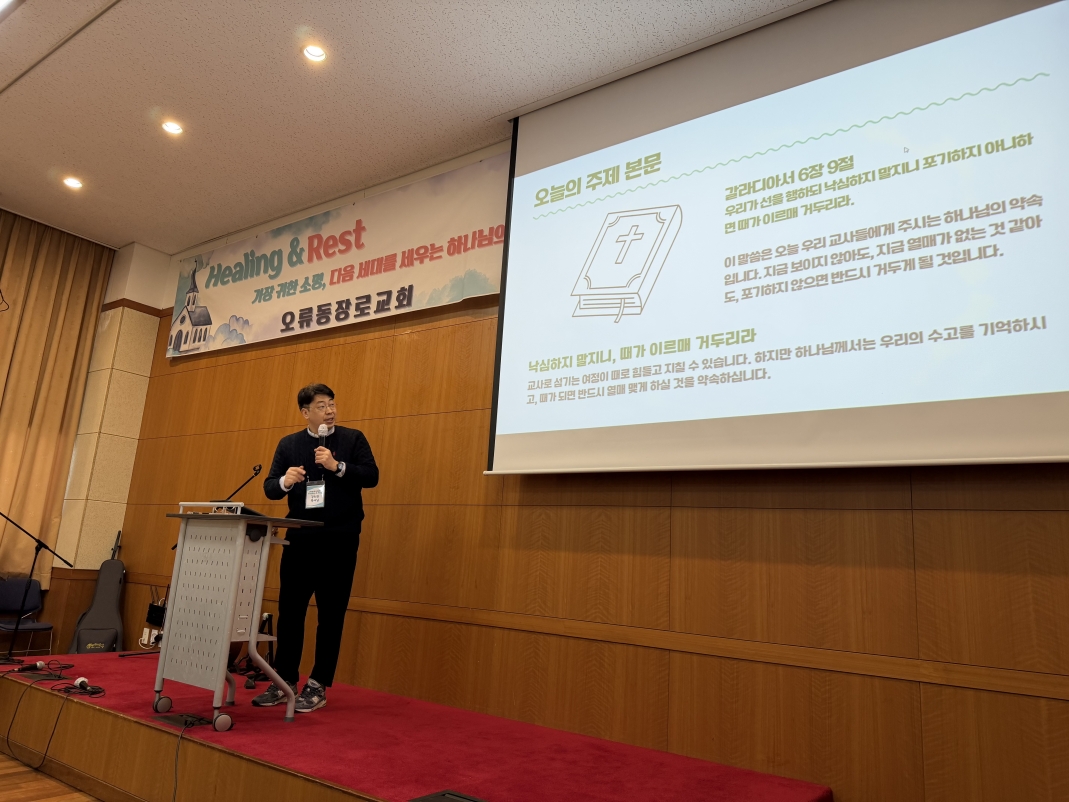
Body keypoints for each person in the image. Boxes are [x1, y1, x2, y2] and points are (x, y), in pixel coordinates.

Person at [253, 383, 378, 712]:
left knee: (331, 614)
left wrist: (337, 466)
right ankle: (284, 679)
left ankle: (318, 683)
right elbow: (270, 488)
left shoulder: (352, 439)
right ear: (305, 412)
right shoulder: (289, 444)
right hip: (300, 538)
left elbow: (371, 476)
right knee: (290, 612)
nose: (330, 411)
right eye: (322, 406)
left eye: (332, 404)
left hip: (339, 539)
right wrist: (286, 481)